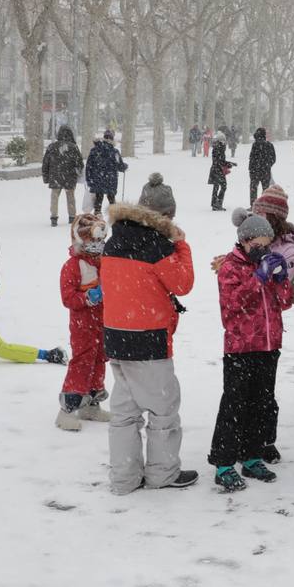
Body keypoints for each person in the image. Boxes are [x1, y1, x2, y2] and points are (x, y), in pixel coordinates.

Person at [101, 188, 197, 493]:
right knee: (163, 410)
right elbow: (183, 284)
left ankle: (124, 478)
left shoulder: (114, 240)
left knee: (125, 413)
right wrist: (182, 246)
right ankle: (162, 474)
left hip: (117, 335)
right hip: (149, 337)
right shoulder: (155, 245)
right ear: (165, 215)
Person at [209, 213, 294, 492]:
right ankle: (223, 462)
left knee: (261, 403)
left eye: (268, 244)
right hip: (241, 348)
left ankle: (253, 455)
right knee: (234, 404)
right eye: (259, 244)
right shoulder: (230, 268)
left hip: (268, 346)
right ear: (245, 241)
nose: (264, 249)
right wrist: (258, 278)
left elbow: (284, 303)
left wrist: (281, 278)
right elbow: (232, 306)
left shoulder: (267, 263)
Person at [57, 214, 111, 431]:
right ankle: (67, 409)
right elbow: (67, 298)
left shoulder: (104, 263)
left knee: (99, 360)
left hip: (103, 322)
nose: (96, 245)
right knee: (82, 361)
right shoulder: (73, 265)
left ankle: (92, 403)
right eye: (92, 241)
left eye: (99, 241)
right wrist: (87, 298)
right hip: (83, 324)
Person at [42, 125, 84, 227]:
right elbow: (79, 163)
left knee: (54, 197)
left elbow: (45, 163)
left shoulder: (52, 147)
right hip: (69, 176)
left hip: (55, 176)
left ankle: (54, 217)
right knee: (70, 197)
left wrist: (46, 177)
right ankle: (72, 217)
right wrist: (78, 172)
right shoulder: (73, 147)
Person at [85, 130, 129, 214]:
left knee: (98, 200)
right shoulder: (114, 152)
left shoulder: (94, 150)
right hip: (110, 180)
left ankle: (97, 217)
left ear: (104, 138)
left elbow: (89, 166)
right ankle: (115, 218)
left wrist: (89, 179)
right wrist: (125, 166)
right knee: (112, 200)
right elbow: (120, 166)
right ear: (112, 139)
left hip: (98, 180)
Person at [248, 127, 276, 204]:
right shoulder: (269, 145)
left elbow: (252, 157)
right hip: (265, 171)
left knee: (253, 188)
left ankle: (253, 204)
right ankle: (265, 204)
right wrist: (268, 165)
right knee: (265, 188)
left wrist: (252, 168)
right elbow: (273, 158)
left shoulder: (255, 145)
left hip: (254, 171)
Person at [209, 139, 234, 210]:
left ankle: (214, 203)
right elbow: (220, 161)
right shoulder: (220, 149)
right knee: (223, 186)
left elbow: (219, 161)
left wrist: (229, 163)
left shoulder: (216, 148)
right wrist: (228, 164)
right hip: (218, 170)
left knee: (216, 186)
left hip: (215, 170)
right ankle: (218, 203)